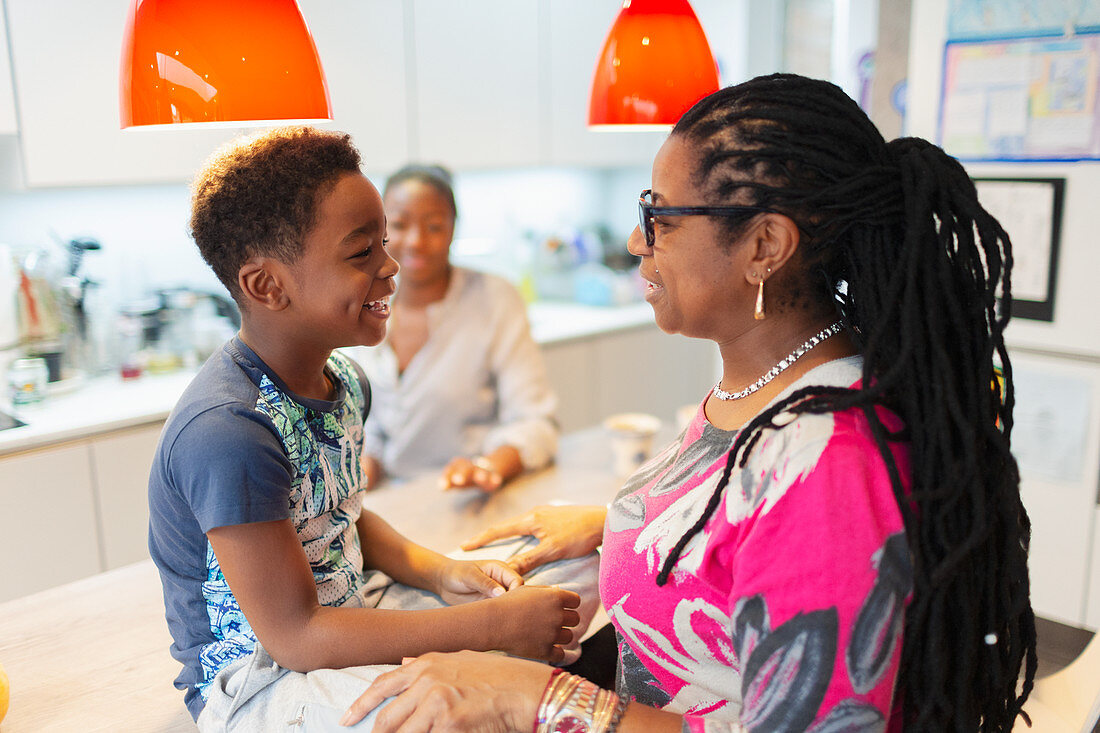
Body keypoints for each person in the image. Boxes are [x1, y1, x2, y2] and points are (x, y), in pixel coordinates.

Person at [340, 74, 1037, 732]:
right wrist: (630, 521)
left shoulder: (825, 462)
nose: (637, 241)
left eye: (661, 217)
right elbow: (739, 534)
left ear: (764, 245)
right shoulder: (761, 385)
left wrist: (538, 696)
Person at [147, 127, 597, 730]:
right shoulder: (229, 430)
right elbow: (297, 639)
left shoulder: (344, 378)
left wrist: (444, 572)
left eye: (381, 244)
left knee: (574, 568)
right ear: (266, 285)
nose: (392, 266)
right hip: (264, 683)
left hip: (353, 609)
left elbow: (343, 514)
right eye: (363, 253)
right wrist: (490, 626)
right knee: (462, 704)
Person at [342, 164, 558, 493]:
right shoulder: (362, 303)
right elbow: (369, 429)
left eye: (433, 226)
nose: (415, 241)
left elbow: (536, 422)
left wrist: (486, 469)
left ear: (454, 228)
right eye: (399, 225)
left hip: (472, 496)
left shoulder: (496, 298)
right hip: (387, 502)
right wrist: (355, 477)